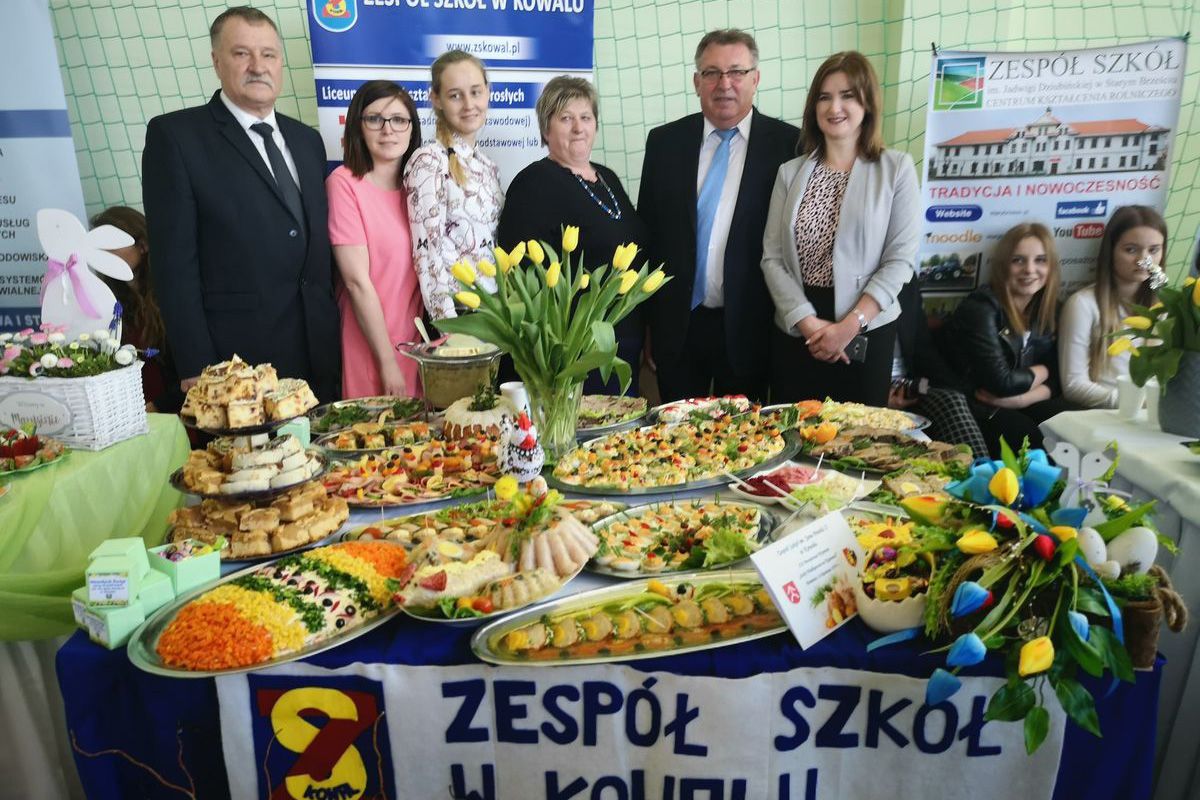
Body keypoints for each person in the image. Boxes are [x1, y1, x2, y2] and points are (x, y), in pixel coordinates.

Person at [142, 6, 340, 402]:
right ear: (216, 61)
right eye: (241, 54)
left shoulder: (308, 141)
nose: (258, 66)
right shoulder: (176, 138)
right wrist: (196, 365)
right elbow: (173, 265)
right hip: (234, 364)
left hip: (317, 354)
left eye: (268, 54)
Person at [638, 29, 799, 402]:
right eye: (711, 73)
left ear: (755, 79)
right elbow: (649, 237)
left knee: (746, 435)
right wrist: (647, 324)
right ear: (697, 82)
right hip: (677, 329)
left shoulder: (790, 146)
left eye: (737, 72)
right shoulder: (664, 143)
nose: (724, 84)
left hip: (751, 331)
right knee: (674, 432)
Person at [761, 51, 918, 407]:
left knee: (860, 435)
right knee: (793, 432)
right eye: (824, 97)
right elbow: (772, 258)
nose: (834, 107)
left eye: (847, 95)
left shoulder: (897, 169)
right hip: (799, 328)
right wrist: (806, 322)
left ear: (867, 103)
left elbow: (900, 261)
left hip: (866, 329)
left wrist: (850, 325)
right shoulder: (789, 173)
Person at [496, 76, 647, 395]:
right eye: (566, 118)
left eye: (586, 117)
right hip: (571, 354)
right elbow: (523, 280)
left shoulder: (607, 177)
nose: (578, 128)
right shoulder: (532, 184)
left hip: (623, 343)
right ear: (545, 129)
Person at [937, 222, 1072, 456]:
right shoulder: (981, 307)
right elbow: (1001, 383)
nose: (1030, 269)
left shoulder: (1052, 309)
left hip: (1022, 401)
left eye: (1040, 260)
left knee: (1071, 426)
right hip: (977, 406)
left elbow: (1061, 378)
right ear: (1002, 266)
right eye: (1018, 260)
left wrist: (1022, 400)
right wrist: (1045, 370)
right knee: (1026, 437)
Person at [327, 81, 424, 399]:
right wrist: (387, 362)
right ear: (358, 126)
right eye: (374, 119)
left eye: (399, 119)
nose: (388, 130)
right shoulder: (344, 184)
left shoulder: (420, 188)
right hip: (371, 344)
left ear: (412, 128)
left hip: (418, 347)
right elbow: (356, 283)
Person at [405, 50, 503, 322]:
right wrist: (450, 331)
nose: (469, 104)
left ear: (488, 92)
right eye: (455, 95)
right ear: (436, 99)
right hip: (458, 316)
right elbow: (427, 255)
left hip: (493, 312)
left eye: (476, 92)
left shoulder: (487, 166)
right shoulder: (428, 161)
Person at [1059, 205, 1165, 408]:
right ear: (1111, 251)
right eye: (1131, 249)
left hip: (1154, 415)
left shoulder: (1166, 306)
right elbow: (1073, 385)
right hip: (1104, 415)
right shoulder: (1083, 304)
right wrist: (1137, 404)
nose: (1144, 260)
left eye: (1153, 250)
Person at [89, 206, 182, 413]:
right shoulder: (106, 300)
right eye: (99, 247)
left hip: (177, 412)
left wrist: (157, 406)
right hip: (129, 412)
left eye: (112, 245)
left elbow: (193, 368)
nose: (105, 253)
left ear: (143, 246)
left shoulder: (173, 292)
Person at [889, 280, 989, 458]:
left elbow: (923, 351)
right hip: (860, 393)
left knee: (953, 400)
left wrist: (967, 393)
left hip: (907, 387)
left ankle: (980, 471)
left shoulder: (905, 279)